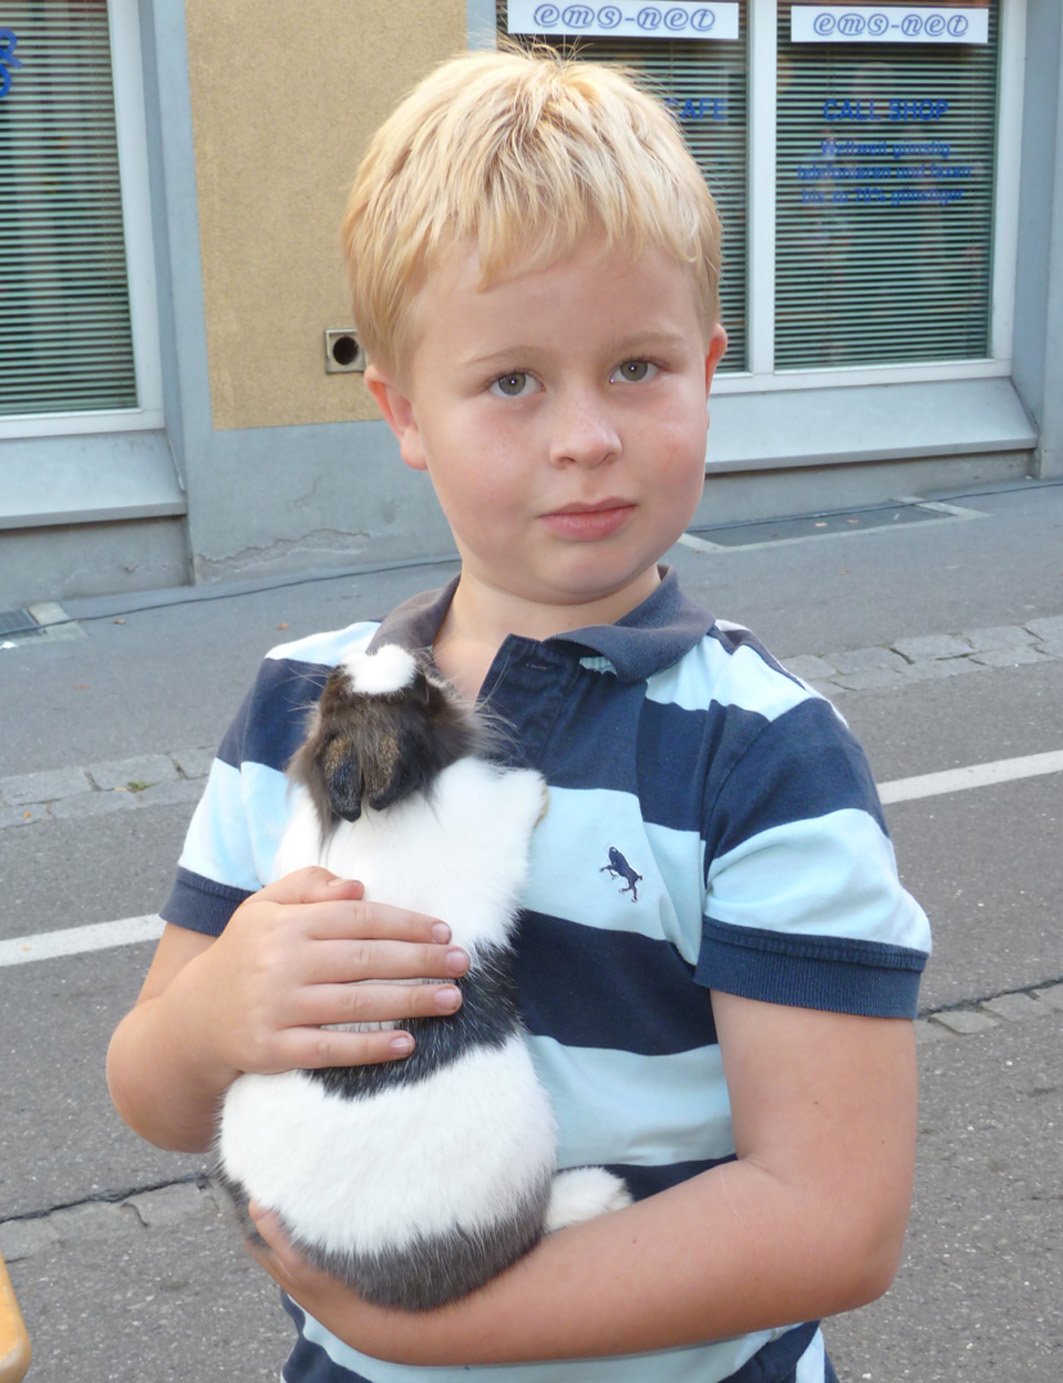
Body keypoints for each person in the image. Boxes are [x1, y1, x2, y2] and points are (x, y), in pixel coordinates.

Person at [107, 45, 931, 1383]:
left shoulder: (761, 753)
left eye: (639, 367)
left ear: (710, 369)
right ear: (402, 411)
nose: (586, 437)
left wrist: (416, 1325)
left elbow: (835, 1215)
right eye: (511, 383)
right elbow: (152, 1088)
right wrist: (213, 1019)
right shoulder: (296, 708)